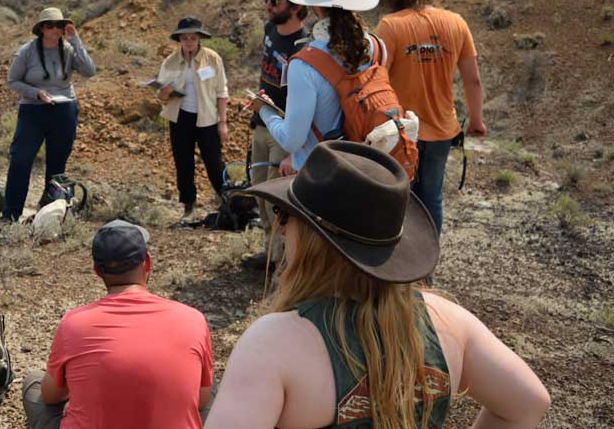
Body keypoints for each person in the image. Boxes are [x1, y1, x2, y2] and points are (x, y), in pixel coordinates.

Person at [205, 140, 550, 429]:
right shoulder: (447, 322)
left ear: (314, 239)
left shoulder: (273, 344)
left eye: (285, 216)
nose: (281, 228)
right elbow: (528, 403)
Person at [23, 220, 214, 429]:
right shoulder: (192, 319)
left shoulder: (73, 323)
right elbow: (201, 399)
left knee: (33, 382)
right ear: (147, 262)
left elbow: (51, 396)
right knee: (211, 390)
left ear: (97, 270)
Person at [246, 0, 382, 176]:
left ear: (314, 3)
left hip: (317, 173)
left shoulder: (305, 63)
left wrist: (266, 111)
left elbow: (291, 140)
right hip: (362, 164)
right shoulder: (377, 46)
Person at [376, 0, 487, 234]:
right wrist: (476, 119)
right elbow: (472, 80)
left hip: (401, 130)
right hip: (442, 128)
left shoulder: (390, 26)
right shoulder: (456, 22)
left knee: (400, 197)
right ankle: (427, 264)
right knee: (432, 197)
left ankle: (401, 265)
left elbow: (377, 79)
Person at [3, 7, 96, 221]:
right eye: (49, 25)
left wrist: (76, 41)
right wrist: (36, 93)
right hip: (33, 109)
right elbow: (12, 81)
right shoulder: (27, 51)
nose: (55, 29)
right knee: (21, 161)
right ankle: (10, 214)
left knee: (57, 165)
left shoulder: (69, 49)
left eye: (59, 25)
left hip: (64, 109)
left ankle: (50, 214)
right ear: (42, 29)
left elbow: (90, 72)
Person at [245, 0, 309, 268]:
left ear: (296, 7)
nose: (268, 6)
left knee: (278, 199)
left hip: (284, 131)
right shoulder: (270, 29)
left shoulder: (303, 46)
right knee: (258, 189)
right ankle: (271, 254)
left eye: (275, 1)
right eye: (267, 0)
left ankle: (286, 263)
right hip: (261, 122)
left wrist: (292, 150)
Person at [156, 17, 230, 222]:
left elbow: (222, 91)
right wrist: (165, 92)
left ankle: (229, 201)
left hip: (207, 118)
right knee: (184, 163)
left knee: (214, 163)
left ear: (199, 39)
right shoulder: (170, 61)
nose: (189, 42)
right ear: (179, 39)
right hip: (180, 119)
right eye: (185, 38)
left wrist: (223, 122)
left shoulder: (212, 58)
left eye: (193, 38)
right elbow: (161, 97)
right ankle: (188, 207)